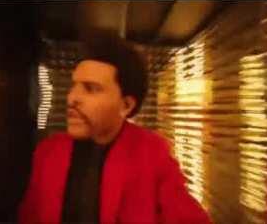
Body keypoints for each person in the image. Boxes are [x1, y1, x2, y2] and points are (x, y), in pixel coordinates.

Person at [19, 37, 211, 224]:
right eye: (73, 85)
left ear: (126, 105)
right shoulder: (48, 152)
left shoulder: (151, 153)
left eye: (90, 88)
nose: (72, 98)